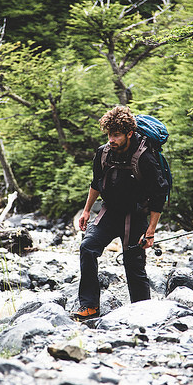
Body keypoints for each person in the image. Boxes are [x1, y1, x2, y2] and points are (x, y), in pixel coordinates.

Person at [72, 106, 169, 320]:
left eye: (116, 135)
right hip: (109, 212)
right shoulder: (103, 153)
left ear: (129, 134)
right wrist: (86, 211)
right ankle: (89, 306)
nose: (111, 140)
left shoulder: (145, 158)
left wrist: (151, 231)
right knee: (88, 247)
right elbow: (96, 182)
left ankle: (143, 312)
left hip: (135, 216)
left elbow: (159, 194)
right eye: (109, 134)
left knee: (134, 265)